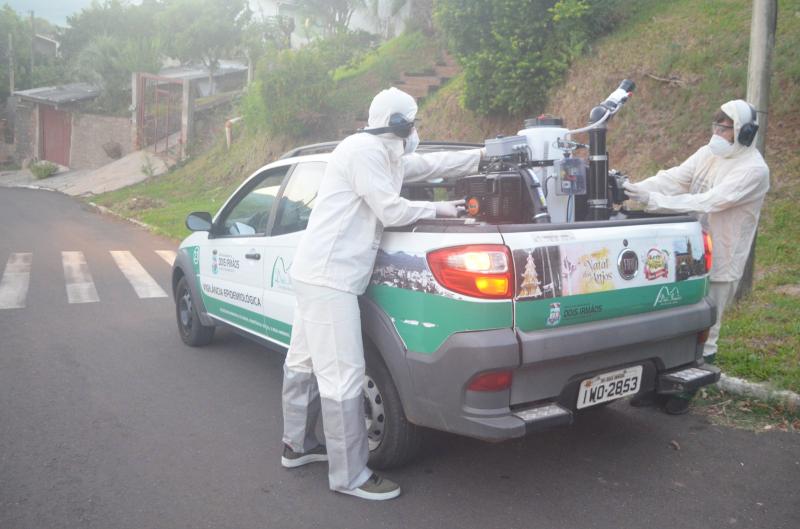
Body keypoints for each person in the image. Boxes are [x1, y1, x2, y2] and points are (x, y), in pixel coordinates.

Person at [280, 87, 483, 500]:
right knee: (344, 376)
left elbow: (427, 165)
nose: (417, 130)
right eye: (414, 122)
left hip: (318, 274)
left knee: (302, 362)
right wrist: (442, 210)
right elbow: (390, 209)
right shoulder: (364, 152)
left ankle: (297, 446)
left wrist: (484, 155)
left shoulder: (383, 153)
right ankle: (350, 475)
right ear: (400, 125)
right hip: (329, 279)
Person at [624, 99, 770, 414]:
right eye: (716, 126)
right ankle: (657, 384)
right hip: (688, 255)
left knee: (707, 328)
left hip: (721, 259)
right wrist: (633, 189)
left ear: (744, 133)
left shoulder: (754, 170)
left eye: (725, 128)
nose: (717, 133)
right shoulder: (709, 153)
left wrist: (654, 201)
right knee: (672, 321)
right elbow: (674, 178)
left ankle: (686, 391)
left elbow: (710, 201)